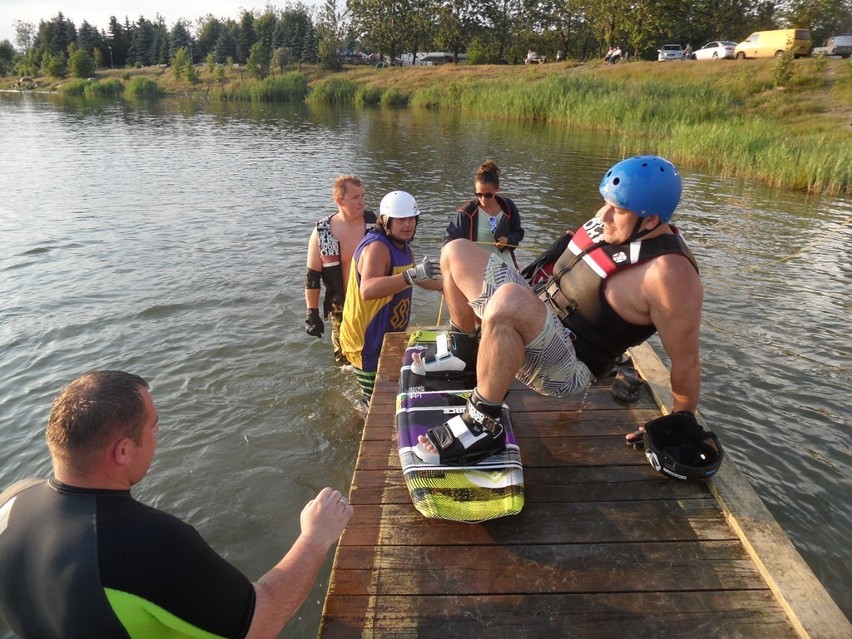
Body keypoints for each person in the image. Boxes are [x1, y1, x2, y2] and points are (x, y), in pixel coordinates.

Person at [0, 370, 352, 639]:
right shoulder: (148, 542)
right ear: (122, 451)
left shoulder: (11, 499)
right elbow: (259, 621)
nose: (157, 436)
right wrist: (316, 536)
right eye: (154, 428)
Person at [412, 155, 703, 465]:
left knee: (509, 299)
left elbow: (687, 360)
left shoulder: (671, 275)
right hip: (535, 314)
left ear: (650, 221)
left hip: (568, 367)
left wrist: (678, 420)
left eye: (616, 211)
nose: (601, 216)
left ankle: (483, 423)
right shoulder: (612, 226)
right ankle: (466, 351)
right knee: (454, 250)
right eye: (604, 203)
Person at [339, 191, 442, 403]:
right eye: (401, 219)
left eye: (412, 219)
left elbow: (415, 278)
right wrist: (412, 275)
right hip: (367, 341)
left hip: (386, 336)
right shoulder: (377, 247)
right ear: (386, 221)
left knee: (387, 393)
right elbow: (368, 289)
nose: (408, 225)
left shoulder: (403, 248)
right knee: (375, 404)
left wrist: (445, 287)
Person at [305, 175, 378, 364]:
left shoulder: (375, 224)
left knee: (377, 351)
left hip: (373, 301)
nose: (362, 201)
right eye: (356, 197)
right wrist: (312, 313)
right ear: (340, 200)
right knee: (345, 359)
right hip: (341, 305)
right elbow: (312, 277)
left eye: (363, 195)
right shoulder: (322, 232)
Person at [443, 160, 525, 270]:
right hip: (478, 269)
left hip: (507, 266)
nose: (483, 199)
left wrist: (508, 240)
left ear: (497, 189)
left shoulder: (508, 207)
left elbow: (518, 233)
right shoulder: (466, 213)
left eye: (488, 195)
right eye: (479, 194)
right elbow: (448, 241)